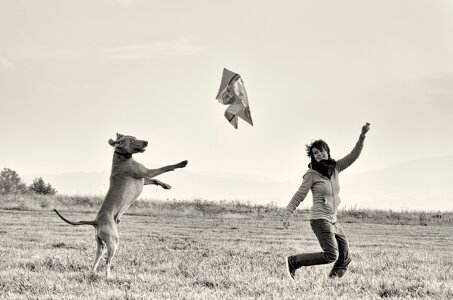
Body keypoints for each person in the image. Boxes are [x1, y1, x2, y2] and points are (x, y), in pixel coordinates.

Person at [283, 122, 370, 281]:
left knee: (345, 255)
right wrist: (288, 213)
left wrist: (362, 136)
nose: (319, 155)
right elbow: (299, 195)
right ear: (313, 156)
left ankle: (332, 282)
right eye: (315, 153)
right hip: (319, 219)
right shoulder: (311, 174)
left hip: (333, 219)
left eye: (321, 151)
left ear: (327, 152)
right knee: (331, 255)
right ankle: (293, 262)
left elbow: (353, 155)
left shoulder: (335, 168)